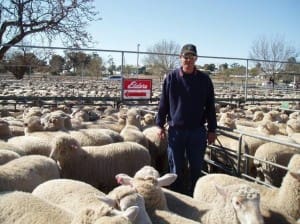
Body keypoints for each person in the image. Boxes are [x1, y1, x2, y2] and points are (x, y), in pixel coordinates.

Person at [156, 43, 217, 195]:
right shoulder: (171, 78)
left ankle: (195, 195)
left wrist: (212, 129)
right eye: (185, 56)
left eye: (192, 57)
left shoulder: (204, 80)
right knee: (175, 167)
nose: (188, 60)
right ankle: (178, 198)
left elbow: (210, 105)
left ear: (196, 59)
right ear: (180, 58)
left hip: (197, 131)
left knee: (196, 167)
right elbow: (163, 102)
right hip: (176, 131)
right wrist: (159, 124)